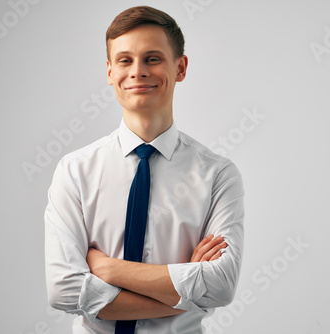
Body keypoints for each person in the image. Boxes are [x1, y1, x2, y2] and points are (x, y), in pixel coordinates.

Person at [44, 5, 244, 334]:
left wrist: (108, 269)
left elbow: (220, 285)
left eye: (152, 58)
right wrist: (186, 292)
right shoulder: (74, 171)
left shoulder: (218, 175)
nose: (138, 71)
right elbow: (64, 290)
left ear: (180, 67)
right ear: (110, 71)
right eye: (125, 60)